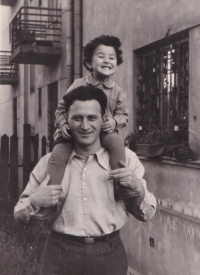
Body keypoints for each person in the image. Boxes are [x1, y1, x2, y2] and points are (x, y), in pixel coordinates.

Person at [14, 85, 156, 275]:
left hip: (109, 255)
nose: (85, 126)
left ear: (103, 119)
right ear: (67, 121)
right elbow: (19, 214)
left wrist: (138, 189)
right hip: (59, 256)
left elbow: (146, 215)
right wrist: (34, 201)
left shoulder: (125, 160)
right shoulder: (51, 163)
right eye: (77, 118)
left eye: (92, 118)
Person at [38, 35, 129, 221]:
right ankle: (52, 196)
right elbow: (62, 109)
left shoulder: (117, 91)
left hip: (103, 132)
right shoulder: (78, 84)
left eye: (112, 58)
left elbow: (123, 115)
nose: (107, 61)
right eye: (101, 56)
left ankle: (120, 186)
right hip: (73, 132)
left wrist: (114, 122)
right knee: (57, 155)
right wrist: (63, 124)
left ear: (117, 63)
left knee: (118, 145)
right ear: (89, 61)